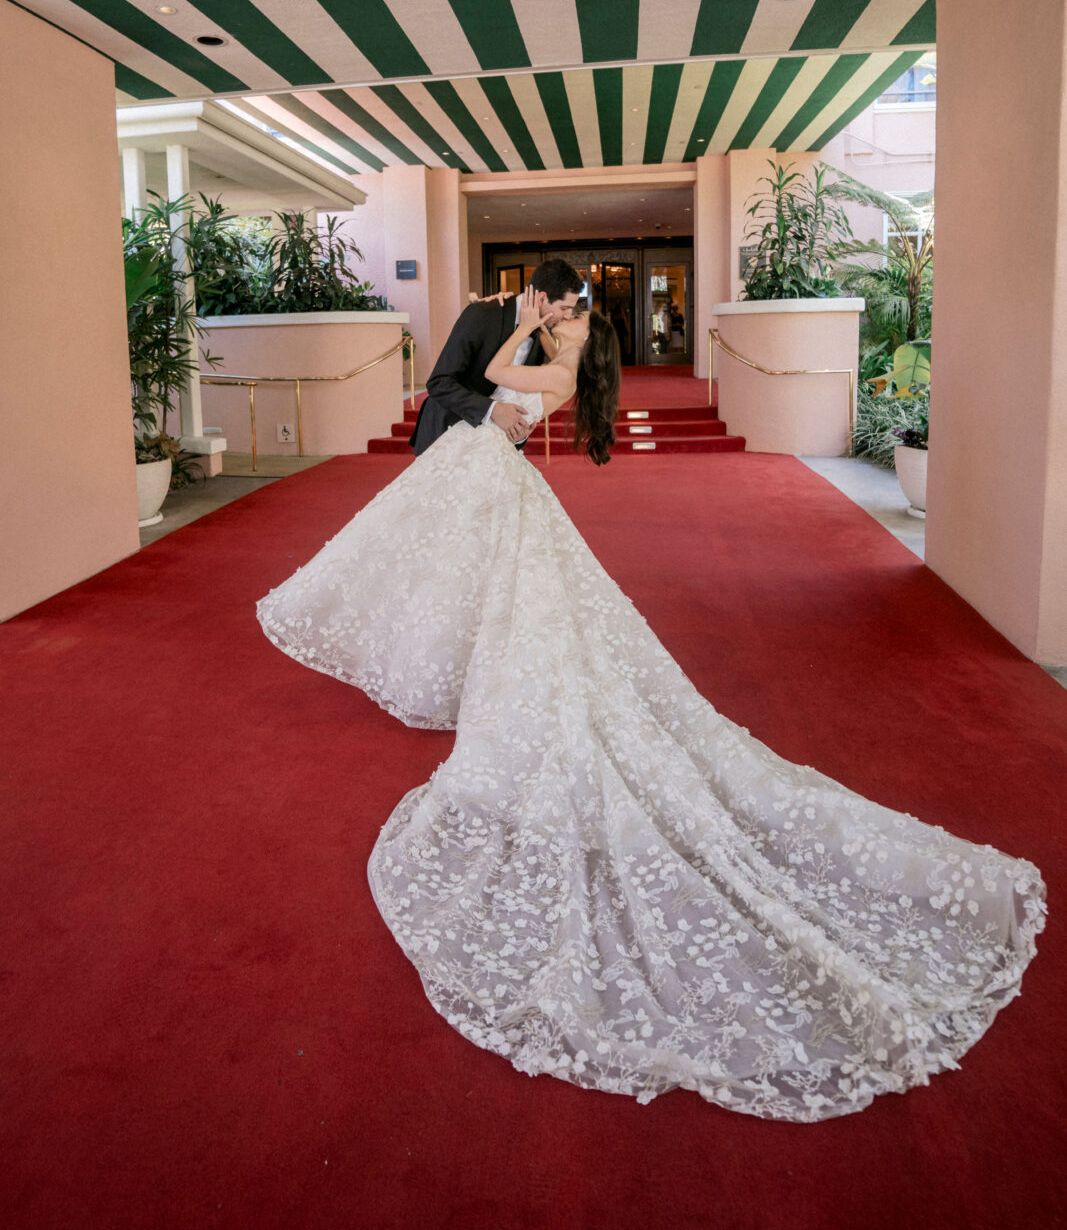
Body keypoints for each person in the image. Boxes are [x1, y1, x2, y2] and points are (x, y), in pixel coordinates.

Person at [256, 290, 1045, 1122]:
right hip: (483, 475)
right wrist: (523, 324)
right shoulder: (548, 357)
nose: (555, 317)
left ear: (580, 333)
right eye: (557, 311)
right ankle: (464, 666)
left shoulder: (557, 369)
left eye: (565, 314)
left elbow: (495, 378)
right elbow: (487, 375)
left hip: (492, 479)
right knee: (479, 592)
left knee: (526, 607)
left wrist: (529, 331)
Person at [408, 258, 584, 455]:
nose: (568, 315)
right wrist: (492, 409)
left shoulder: (544, 335)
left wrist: (522, 428)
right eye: (564, 308)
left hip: (491, 451)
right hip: (444, 434)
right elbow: (439, 382)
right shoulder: (482, 313)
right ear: (541, 298)